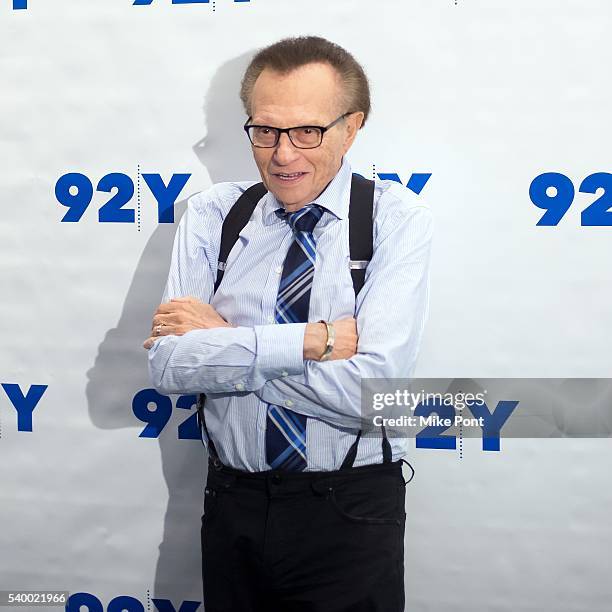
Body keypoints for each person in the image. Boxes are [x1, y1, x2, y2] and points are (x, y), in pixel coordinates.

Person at [143, 35, 433, 612]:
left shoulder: (395, 221)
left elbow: (368, 395)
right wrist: (309, 341)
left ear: (353, 128)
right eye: (266, 131)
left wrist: (222, 345)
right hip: (232, 503)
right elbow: (168, 365)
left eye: (308, 131)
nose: (283, 154)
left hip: (349, 510)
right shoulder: (213, 214)